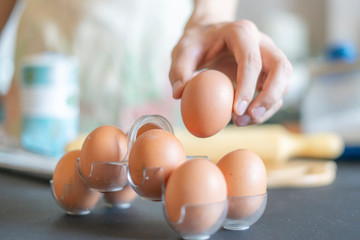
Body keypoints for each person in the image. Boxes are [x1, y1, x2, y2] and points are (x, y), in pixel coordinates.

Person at [0, 0, 291, 137]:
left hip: (159, 124)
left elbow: (212, 8)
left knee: (154, 168)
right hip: (38, 131)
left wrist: (210, 23)